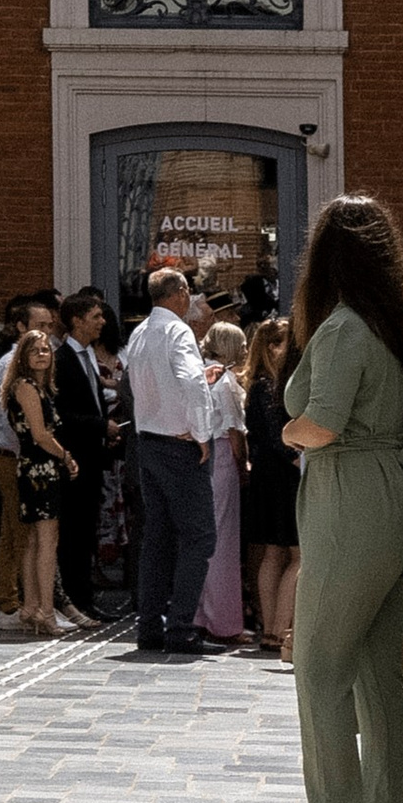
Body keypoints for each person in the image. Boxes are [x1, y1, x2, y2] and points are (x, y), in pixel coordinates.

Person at [273, 195, 403, 803]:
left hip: (353, 498)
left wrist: (286, 433)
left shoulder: (343, 327)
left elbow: (322, 423)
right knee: (378, 673)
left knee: (318, 668)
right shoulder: (397, 326)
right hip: (402, 495)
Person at [120, 263, 219, 656]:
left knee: (158, 538)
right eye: (188, 292)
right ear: (178, 293)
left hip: (149, 441)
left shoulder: (141, 332)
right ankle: (180, 628)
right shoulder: (177, 330)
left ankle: (150, 627)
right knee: (198, 536)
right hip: (179, 445)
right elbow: (191, 381)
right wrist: (201, 433)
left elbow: (141, 382)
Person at [3, 327, 76, 634]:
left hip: (37, 467)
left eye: (46, 350)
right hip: (40, 468)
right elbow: (40, 435)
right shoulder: (26, 387)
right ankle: (44, 609)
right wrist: (67, 457)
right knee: (46, 542)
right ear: (23, 356)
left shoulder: (37, 387)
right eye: (35, 350)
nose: (42, 355)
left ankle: (32, 607)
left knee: (36, 541)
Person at [240, 311, 300, 657]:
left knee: (274, 553)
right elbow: (279, 439)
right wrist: (299, 460)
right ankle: (277, 630)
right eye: (286, 343)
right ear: (271, 347)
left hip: (267, 476)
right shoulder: (268, 387)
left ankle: (271, 628)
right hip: (282, 476)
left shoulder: (260, 385)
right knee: (296, 554)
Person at [51, 290, 112, 626]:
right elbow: (62, 414)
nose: (102, 322)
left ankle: (85, 597)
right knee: (74, 533)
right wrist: (102, 424)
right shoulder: (61, 360)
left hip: (93, 457)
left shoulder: (89, 356)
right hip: (73, 460)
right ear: (76, 321)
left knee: (87, 531)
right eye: (95, 317)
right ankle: (72, 598)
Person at [199, 319, 249, 643]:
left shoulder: (201, 375)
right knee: (224, 543)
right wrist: (243, 464)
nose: (246, 349)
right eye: (242, 344)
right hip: (222, 460)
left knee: (205, 539)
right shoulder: (226, 381)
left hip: (202, 459)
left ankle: (202, 613)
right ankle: (225, 623)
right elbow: (234, 432)